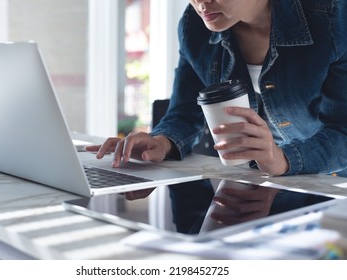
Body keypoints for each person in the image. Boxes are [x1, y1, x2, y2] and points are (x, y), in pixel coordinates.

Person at [87, 0, 347, 232]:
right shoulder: (194, 25)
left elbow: (343, 132)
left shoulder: (334, 18)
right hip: (247, 184)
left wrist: (283, 159)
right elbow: (185, 110)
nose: (201, 3)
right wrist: (162, 141)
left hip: (329, 190)